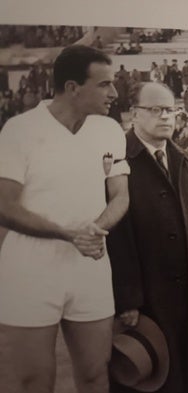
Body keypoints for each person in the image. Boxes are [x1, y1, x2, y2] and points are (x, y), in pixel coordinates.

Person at [0, 45, 130, 393]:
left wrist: (95, 229)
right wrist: (68, 232)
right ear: (73, 87)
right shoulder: (18, 131)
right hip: (29, 268)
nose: (114, 93)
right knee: (35, 382)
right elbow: (5, 206)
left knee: (95, 375)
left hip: (90, 262)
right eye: (104, 84)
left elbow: (121, 195)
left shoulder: (109, 131)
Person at [106, 82, 188, 392]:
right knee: (150, 376)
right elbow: (116, 238)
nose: (165, 117)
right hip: (146, 296)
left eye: (170, 110)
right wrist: (127, 299)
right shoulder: (117, 163)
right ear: (134, 114)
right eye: (155, 110)